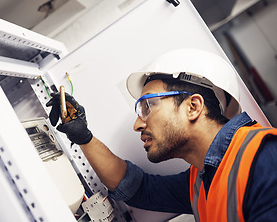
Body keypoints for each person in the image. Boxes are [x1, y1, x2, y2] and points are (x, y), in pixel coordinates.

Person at [47, 48, 277, 221]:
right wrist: (83, 136)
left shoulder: (266, 160)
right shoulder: (201, 179)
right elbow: (139, 189)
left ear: (193, 107)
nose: (137, 124)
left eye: (148, 106)